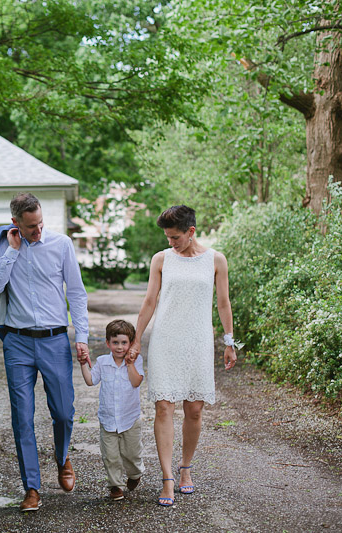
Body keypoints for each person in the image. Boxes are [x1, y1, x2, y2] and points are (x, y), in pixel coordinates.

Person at [0, 192, 91, 512]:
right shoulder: (5, 246)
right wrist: (13, 252)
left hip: (55, 341)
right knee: (22, 418)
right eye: (31, 226)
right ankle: (31, 487)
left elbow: (77, 293)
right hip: (17, 343)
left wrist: (81, 337)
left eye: (40, 222)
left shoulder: (61, 245)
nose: (38, 230)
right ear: (15, 222)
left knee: (63, 412)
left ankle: (62, 457)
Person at [127, 205, 238, 507]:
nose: (170, 242)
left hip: (198, 341)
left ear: (191, 232)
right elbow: (150, 300)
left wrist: (229, 341)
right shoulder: (161, 260)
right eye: (167, 237)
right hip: (165, 339)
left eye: (175, 237)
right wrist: (136, 340)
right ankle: (167, 478)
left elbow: (224, 303)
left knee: (195, 409)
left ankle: (185, 467)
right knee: (164, 407)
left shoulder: (216, 260)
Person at [78, 319, 145, 502]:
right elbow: (90, 381)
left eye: (124, 343)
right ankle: (115, 485)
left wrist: (130, 363)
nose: (119, 347)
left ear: (130, 343)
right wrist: (84, 363)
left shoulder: (136, 361)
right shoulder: (103, 362)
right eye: (115, 342)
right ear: (108, 343)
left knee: (131, 453)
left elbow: (136, 382)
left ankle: (134, 474)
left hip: (130, 418)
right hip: (108, 418)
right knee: (111, 456)